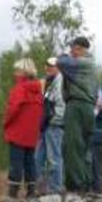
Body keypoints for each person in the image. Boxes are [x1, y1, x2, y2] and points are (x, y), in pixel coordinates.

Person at [56, 35, 99, 192]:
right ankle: (85, 184)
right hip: (87, 107)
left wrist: (64, 56)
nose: (70, 52)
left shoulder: (83, 63)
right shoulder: (92, 65)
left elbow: (60, 62)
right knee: (83, 149)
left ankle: (76, 185)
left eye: (73, 49)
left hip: (78, 106)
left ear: (79, 49)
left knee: (72, 146)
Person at [3, 58, 44, 199]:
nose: (15, 73)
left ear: (24, 73)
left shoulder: (19, 89)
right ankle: (31, 191)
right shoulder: (39, 90)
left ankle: (13, 192)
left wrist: (5, 123)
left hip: (18, 131)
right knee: (30, 161)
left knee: (16, 162)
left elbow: (12, 109)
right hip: (32, 133)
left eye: (18, 71)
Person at [35, 57, 65, 194]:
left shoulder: (60, 82)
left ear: (58, 67)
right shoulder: (48, 82)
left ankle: (55, 188)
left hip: (54, 125)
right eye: (47, 65)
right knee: (38, 157)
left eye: (51, 66)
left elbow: (61, 104)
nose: (48, 68)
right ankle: (40, 187)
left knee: (54, 158)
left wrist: (55, 119)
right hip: (46, 124)